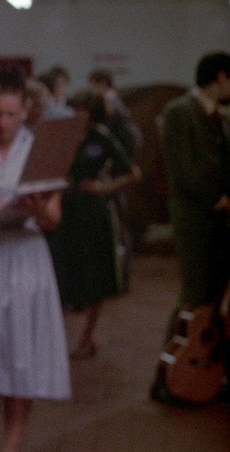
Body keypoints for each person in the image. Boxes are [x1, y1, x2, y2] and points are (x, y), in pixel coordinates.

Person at [0, 66, 71, 452]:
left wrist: (36, 207)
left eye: (11, 114)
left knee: (22, 355)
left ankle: (12, 446)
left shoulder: (41, 149)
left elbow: (53, 219)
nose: (3, 123)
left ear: (25, 111)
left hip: (25, 256)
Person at [151, 51, 230, 404]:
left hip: (219, 218)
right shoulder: (179, 112)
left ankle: (207, 372)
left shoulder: (219, 116)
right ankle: (168, 376)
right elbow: (183, 170)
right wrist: (218, 198)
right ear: (221, 77)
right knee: (195, 294)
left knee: (214, 295)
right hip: (195, 217)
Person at [49, 89, 142, 359]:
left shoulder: (102, 137)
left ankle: (87, 337)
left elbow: (132, 173)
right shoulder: (62, 135)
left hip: (92, 212)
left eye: (83, 113)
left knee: (95, 276)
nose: (77, 117)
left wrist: (104, 188)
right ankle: (57, 339)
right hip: (65, 209)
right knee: (64, 272)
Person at [87, 67, 143, 293]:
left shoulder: (112, 108)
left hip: (113, 173)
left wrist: (116, 166)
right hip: (113, 170)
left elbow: (128, 139)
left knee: (117, 225)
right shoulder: (115, 106)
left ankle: (120, 275)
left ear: (102, 83)